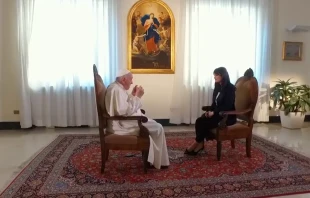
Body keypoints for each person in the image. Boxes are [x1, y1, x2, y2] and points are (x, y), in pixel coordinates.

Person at [105, 68, 170, 169]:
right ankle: (158, 162)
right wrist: (138, 97)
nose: (132, 82)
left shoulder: (118, 87)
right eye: (131, 79)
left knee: (155, 125)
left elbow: (125, 106)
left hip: (125, 121)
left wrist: (133, 95)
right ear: (123, 79)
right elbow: (123, 112)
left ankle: (153, 159)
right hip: (122, 125)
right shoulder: (116, 90)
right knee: (158, 127)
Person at [184, 67, 237, 156]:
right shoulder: (217, 86)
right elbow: (214, 103)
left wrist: (214, 113)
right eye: (214, 75)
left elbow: (227, 106)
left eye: (216, 75)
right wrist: (210, 111)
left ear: (223, 75)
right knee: (199, 121)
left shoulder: (230, 88)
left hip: (226, 116)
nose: (214, 77)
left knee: (202, 122)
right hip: (217, 114)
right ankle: (200, 144)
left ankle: (196, 143)